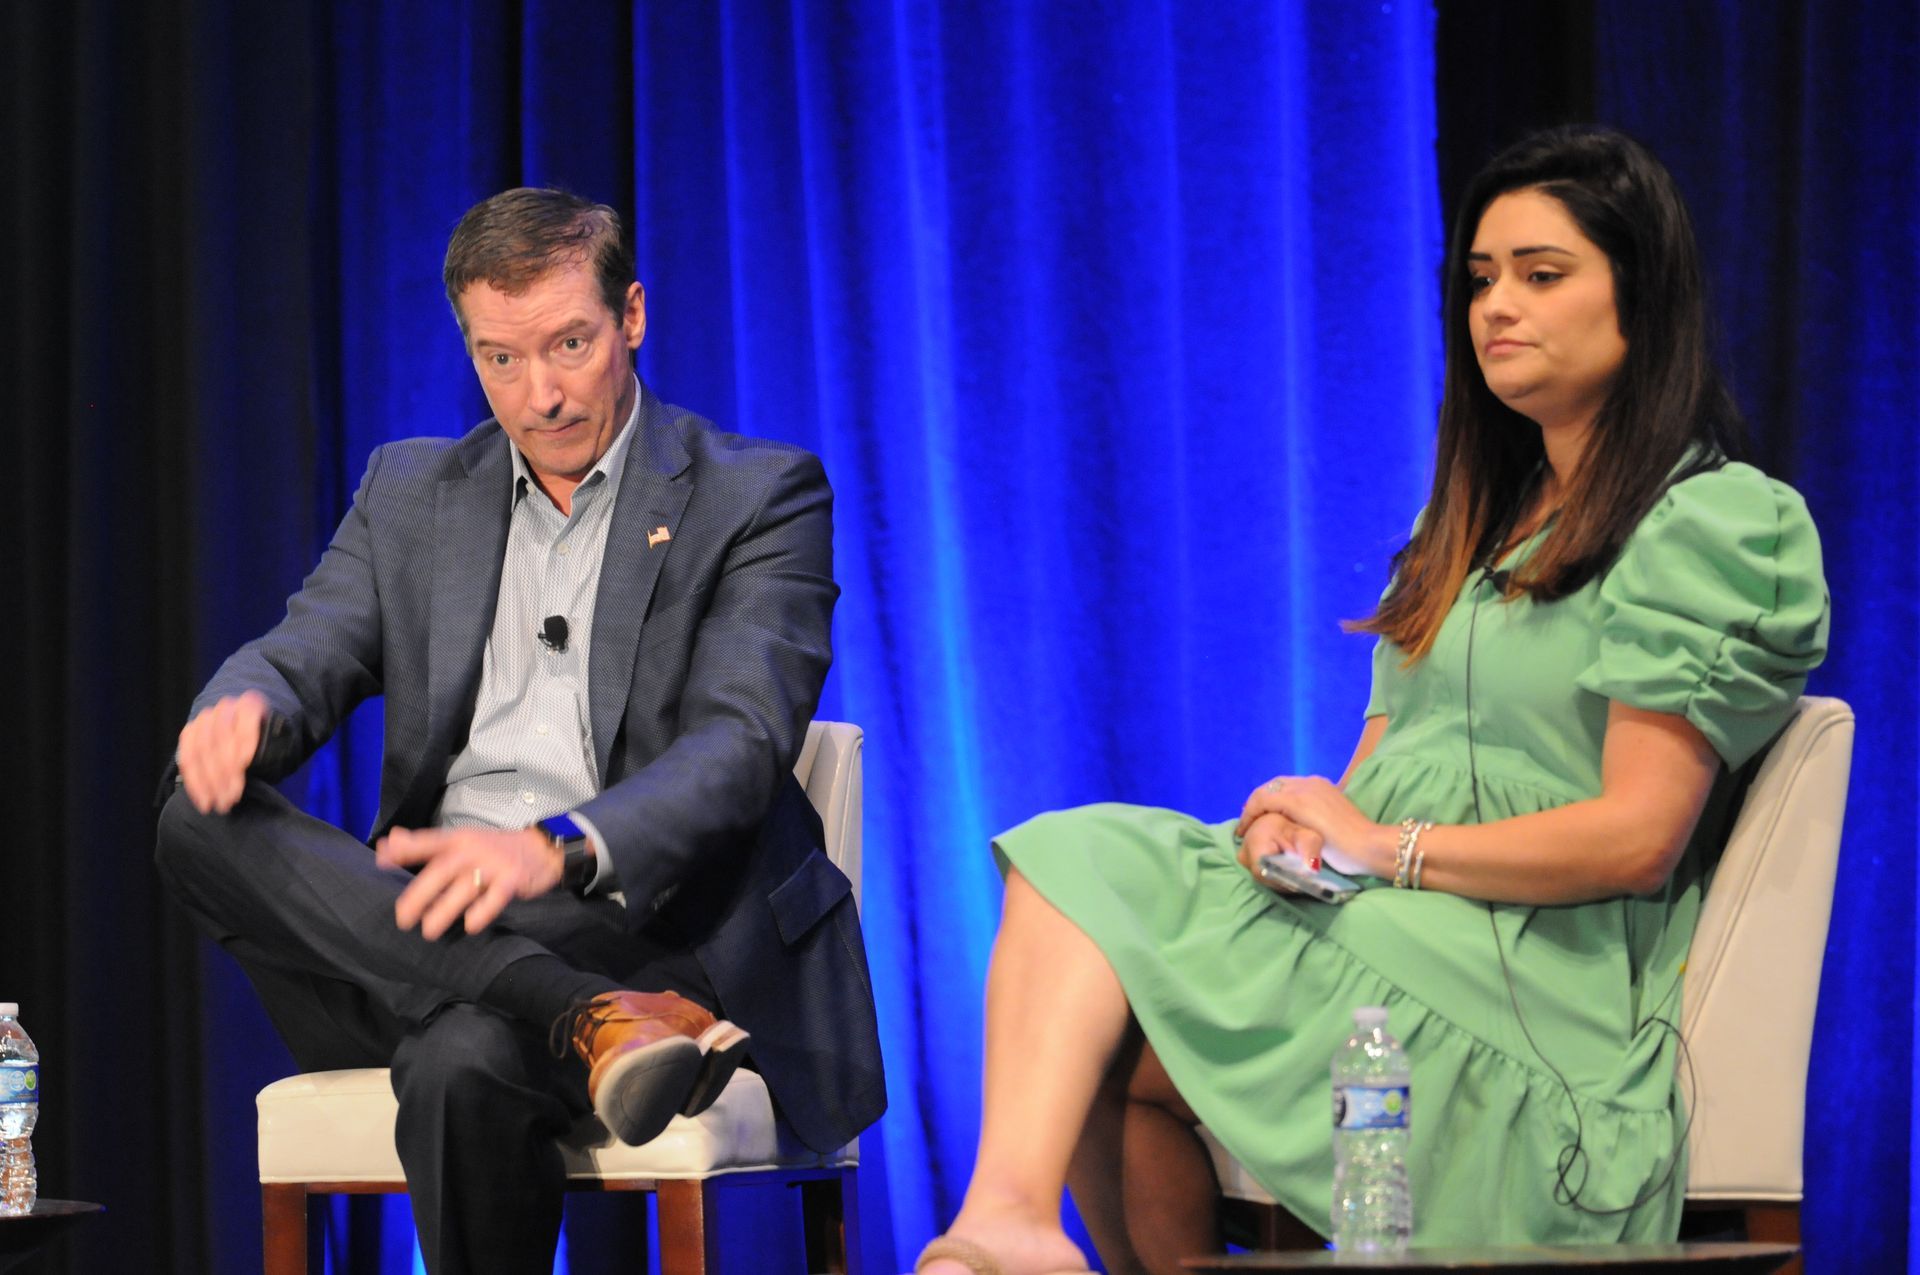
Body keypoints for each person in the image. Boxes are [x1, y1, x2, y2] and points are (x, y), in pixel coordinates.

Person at [915, 127, 1829, 1275]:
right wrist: (1306, 834)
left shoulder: (1716, 521)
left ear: (1638, 302)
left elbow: (1639, 839)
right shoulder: (1464, 534)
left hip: (1537, 978)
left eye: (1543, 276)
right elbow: (1382, 777)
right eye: (1482, 280)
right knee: (1085, 930)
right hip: (1387, 921)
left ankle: (1003, 1226)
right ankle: (1012, 1219)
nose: (1497, 307)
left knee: (1093, 875)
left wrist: (1383, 849)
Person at [154, 188, 885, 1275]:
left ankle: (569, 996)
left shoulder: (757, 495)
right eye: (500, 360)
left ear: (631, 316)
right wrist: (244, 706)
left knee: (461, 1060)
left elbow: (736, 751)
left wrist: (551, 846)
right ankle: (589, 1014)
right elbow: (309, 646)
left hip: (645, 921)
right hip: (424, 928)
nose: (538, 395)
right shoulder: (409, 492)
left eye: (569, 346)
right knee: (192, 820)